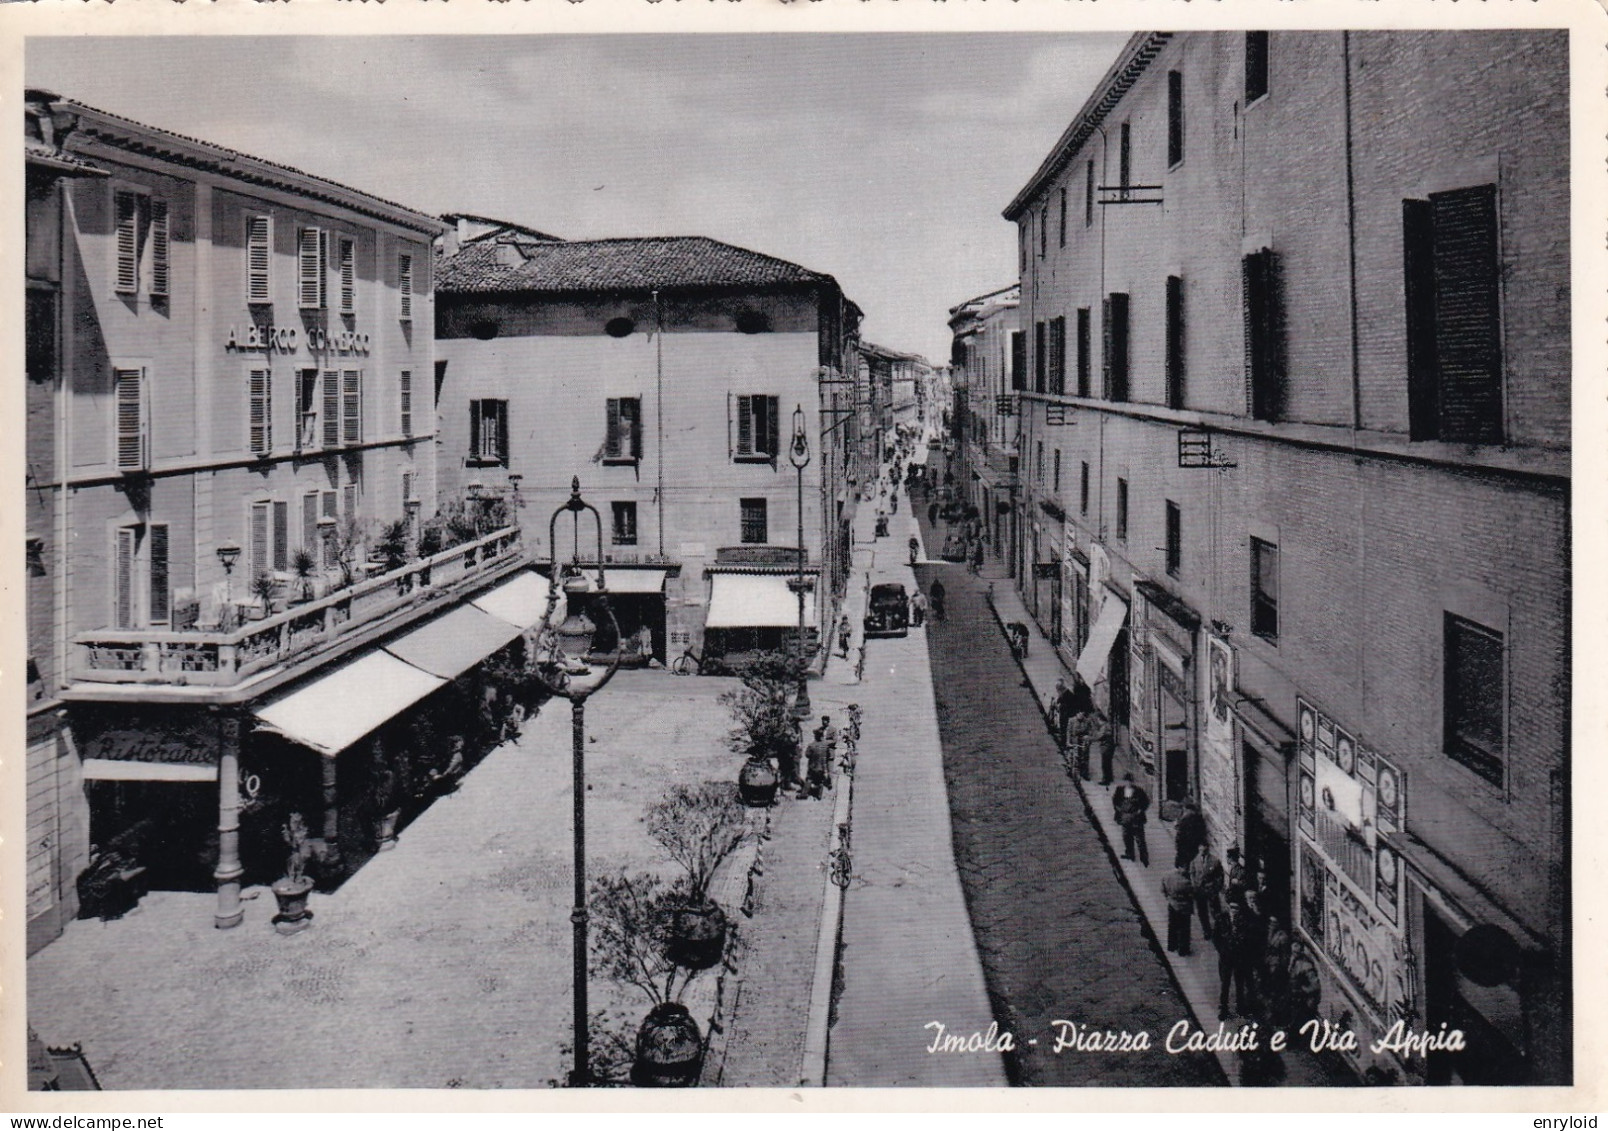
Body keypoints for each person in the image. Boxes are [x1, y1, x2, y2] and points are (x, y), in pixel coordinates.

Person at [1112, 773, 1151, 865]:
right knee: (1126, 837)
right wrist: (1119, 810)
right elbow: (1115, 801)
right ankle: (1130, 854)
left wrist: (1140, 810)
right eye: (1126, 781)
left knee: (1140, 839)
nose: (1128, 783)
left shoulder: (1139, 791)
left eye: (1130, 781)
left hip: (1136, 819)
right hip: (1125, 818)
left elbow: (1146, 802)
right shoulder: (1119, 790)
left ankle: (1144, 857)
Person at [1188, 845, 1224, 942]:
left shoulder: (1215, 861)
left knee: (1215, 911)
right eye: (1200, 850)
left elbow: (1220, 876)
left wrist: (1216, 888)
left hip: (1211, 890)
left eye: (1204, 850)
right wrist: (1194, 884)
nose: (1202, 852)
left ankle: (1219, 930)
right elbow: (1192, 872)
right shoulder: (1195, 860)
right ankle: (1207, 931)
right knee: (1202, 912)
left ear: (1207, 850)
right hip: (1199, 891)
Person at [1162, 862, 1195, 956]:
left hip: (1172, 905)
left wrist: (1168, 898)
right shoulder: (1186, 882)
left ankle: (1172, 946)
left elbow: (1162, 889)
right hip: (1184, 907)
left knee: (1172, 926)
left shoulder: (1167, 876)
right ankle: (1183, 950)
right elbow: (1192, 893)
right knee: (1184, 928)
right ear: (1182, 867)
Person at [1173, 796, 1206, 868]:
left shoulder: (1184, 820)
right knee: (1190, 861)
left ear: (1187, 809)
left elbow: (1179, 835)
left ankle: (1184, 869)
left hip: (1185, 846)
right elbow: (1202, 832)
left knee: (1185, 861)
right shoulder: (1199, 818)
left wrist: (1177, 845)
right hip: (1193, 846)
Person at [806, 726, 834, 799]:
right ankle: (819, 793)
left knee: (809, 779)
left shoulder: (811, 745)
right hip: (822, 768)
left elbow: (807, 755)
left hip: (812, 768)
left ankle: (805, 793)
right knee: (820, 781)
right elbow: (829, 755)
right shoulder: (825, 745)